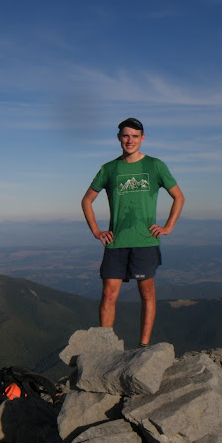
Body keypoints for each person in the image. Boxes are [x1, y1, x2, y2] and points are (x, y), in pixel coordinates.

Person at [81, 118, 184, 346]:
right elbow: (87, 200)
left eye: (135, 136)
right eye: (126, 135)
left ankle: (143, 346)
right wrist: (96, 230)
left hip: (145, 241)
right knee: (108, 295)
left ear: (142, 138)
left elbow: (178, 196)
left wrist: (168, 227)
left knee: (147, 294)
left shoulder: (155, 166)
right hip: (116, 241)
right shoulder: (109, 169)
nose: (130, 140)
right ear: (119, 137)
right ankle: (105, 347)